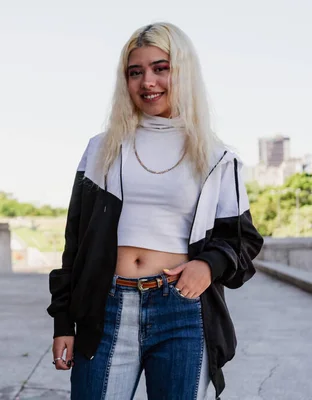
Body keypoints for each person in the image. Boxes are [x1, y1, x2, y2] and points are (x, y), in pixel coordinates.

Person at [47, 22, 264, 400]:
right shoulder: (102, 150)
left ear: (183, 72)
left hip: (181, 312)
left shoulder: (216, 157)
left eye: (160, 68)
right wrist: (63, 322)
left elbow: (243, 241)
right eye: (135, 72)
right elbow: (75, 242)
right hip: (107, 309)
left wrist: (207, 265)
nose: (147, 81)